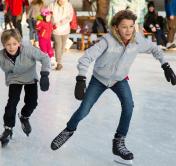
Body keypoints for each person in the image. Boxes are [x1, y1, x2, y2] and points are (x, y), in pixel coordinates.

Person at [50, 10, 176, 164]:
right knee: (84, 109)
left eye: (131, 26)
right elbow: (86, 58)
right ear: (116, 28)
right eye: (124, 27)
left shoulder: (138, 41)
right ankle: (69, 130)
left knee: (129, 106)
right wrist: (81, 78)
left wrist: (166, 65)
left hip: (119, 80)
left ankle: (119, 142)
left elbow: (155, 49)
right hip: (99, 79)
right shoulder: (107, 41)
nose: (128, 30)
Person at [0, 29, 50, 147]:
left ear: (19, 43)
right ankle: (8, 128)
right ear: (3, 45)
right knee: (12, 103)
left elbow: (45, 58)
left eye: (14, 44)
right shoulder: (1, 56)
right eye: (8, 44)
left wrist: (44, 74)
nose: (11, 47)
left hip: (30, 78)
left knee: (32, 103)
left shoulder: (28, 50)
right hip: (14, 79)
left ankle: (24, 116)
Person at [48, 0, 73, 70]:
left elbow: (70, 17)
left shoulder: (69, 5)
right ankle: (58, 63)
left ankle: (58, 60)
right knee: (58, 45)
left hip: (65, 29)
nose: (62, 1)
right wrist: (50, 23)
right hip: (55, 30)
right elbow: (47, 14)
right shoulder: (52, 5)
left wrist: (60, 22)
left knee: (62, 46)